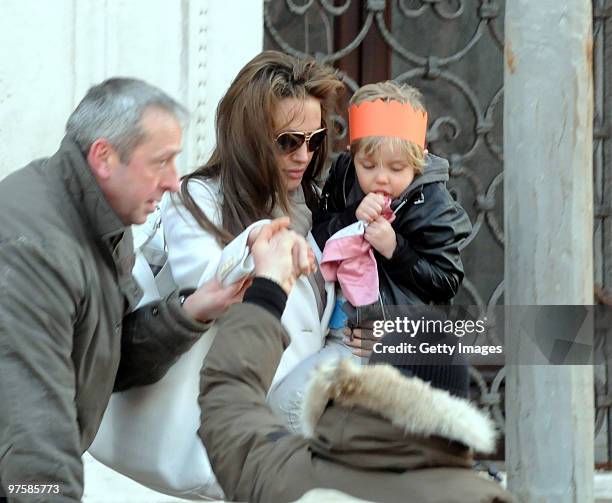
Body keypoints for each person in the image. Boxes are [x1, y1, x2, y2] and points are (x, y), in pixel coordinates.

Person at [87, 51, 345, 498]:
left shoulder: (319, 206)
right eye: (288, 141)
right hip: (219, 427)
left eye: (315, 139)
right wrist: (260, 241)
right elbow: (203, 281)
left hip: (291, 423)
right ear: (250, 137)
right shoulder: (198, 196)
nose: (304, 154)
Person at [0, 77, 267, 502]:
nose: (174, 183)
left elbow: (104, 357)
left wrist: (193, 309)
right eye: (161, 162)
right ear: (104, 157)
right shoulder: (32, 249)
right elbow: (32, 431)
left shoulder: (105, 216)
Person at [197, 239, 516, 503]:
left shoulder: (279, 473)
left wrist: (268, 289)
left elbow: (229, 397)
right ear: (458, 409)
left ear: (371, 379)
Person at [311, 80, 472, 358]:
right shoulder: (344, 178)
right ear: (353, 155)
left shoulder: (434, 205)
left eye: (397, 168)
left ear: (417, 162)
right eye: (369, 165)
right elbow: (318, 236)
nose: (381, 178)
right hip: (335, 328)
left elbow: (446, 282)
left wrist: (396, 250)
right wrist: (352, 216)